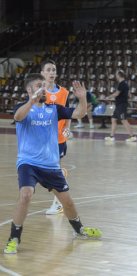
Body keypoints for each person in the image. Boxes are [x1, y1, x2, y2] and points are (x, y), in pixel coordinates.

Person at [4, 73, 102, 254]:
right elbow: (18, 117)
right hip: (28, 163)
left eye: (44, 85)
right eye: (38, 85)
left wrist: (81, 99)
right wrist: (31, 102)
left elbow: (79, 113)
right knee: (25, 195)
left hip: (51, 165)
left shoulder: (54, 109)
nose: (43, 88)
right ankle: (14, 238)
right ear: (29, 89)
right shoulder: (22, 107)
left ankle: (79, 230)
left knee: (68, 203)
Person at [41, 59, 71, 215]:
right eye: (48, 70)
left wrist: (67, 131)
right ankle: (61, 176)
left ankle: (58, 203)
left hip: (58, 139)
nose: (52, 72)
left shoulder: (64, 92)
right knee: (46, 171)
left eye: (53, 69)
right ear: (42, 73)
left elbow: (67, 115)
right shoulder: (38, 92)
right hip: (41, 139)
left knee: (52, 170)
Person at [104, 70, 137, 142]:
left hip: (121, 105)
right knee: (113, 119)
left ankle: (132, 136)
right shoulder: (125, 84)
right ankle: (111, 136)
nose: (115, 76)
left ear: (119, 75)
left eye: (116, 75)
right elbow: (129, 95)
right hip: (119, 105)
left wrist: (108, 97)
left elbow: (116, 93)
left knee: (124, 120)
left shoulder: (122, 84)